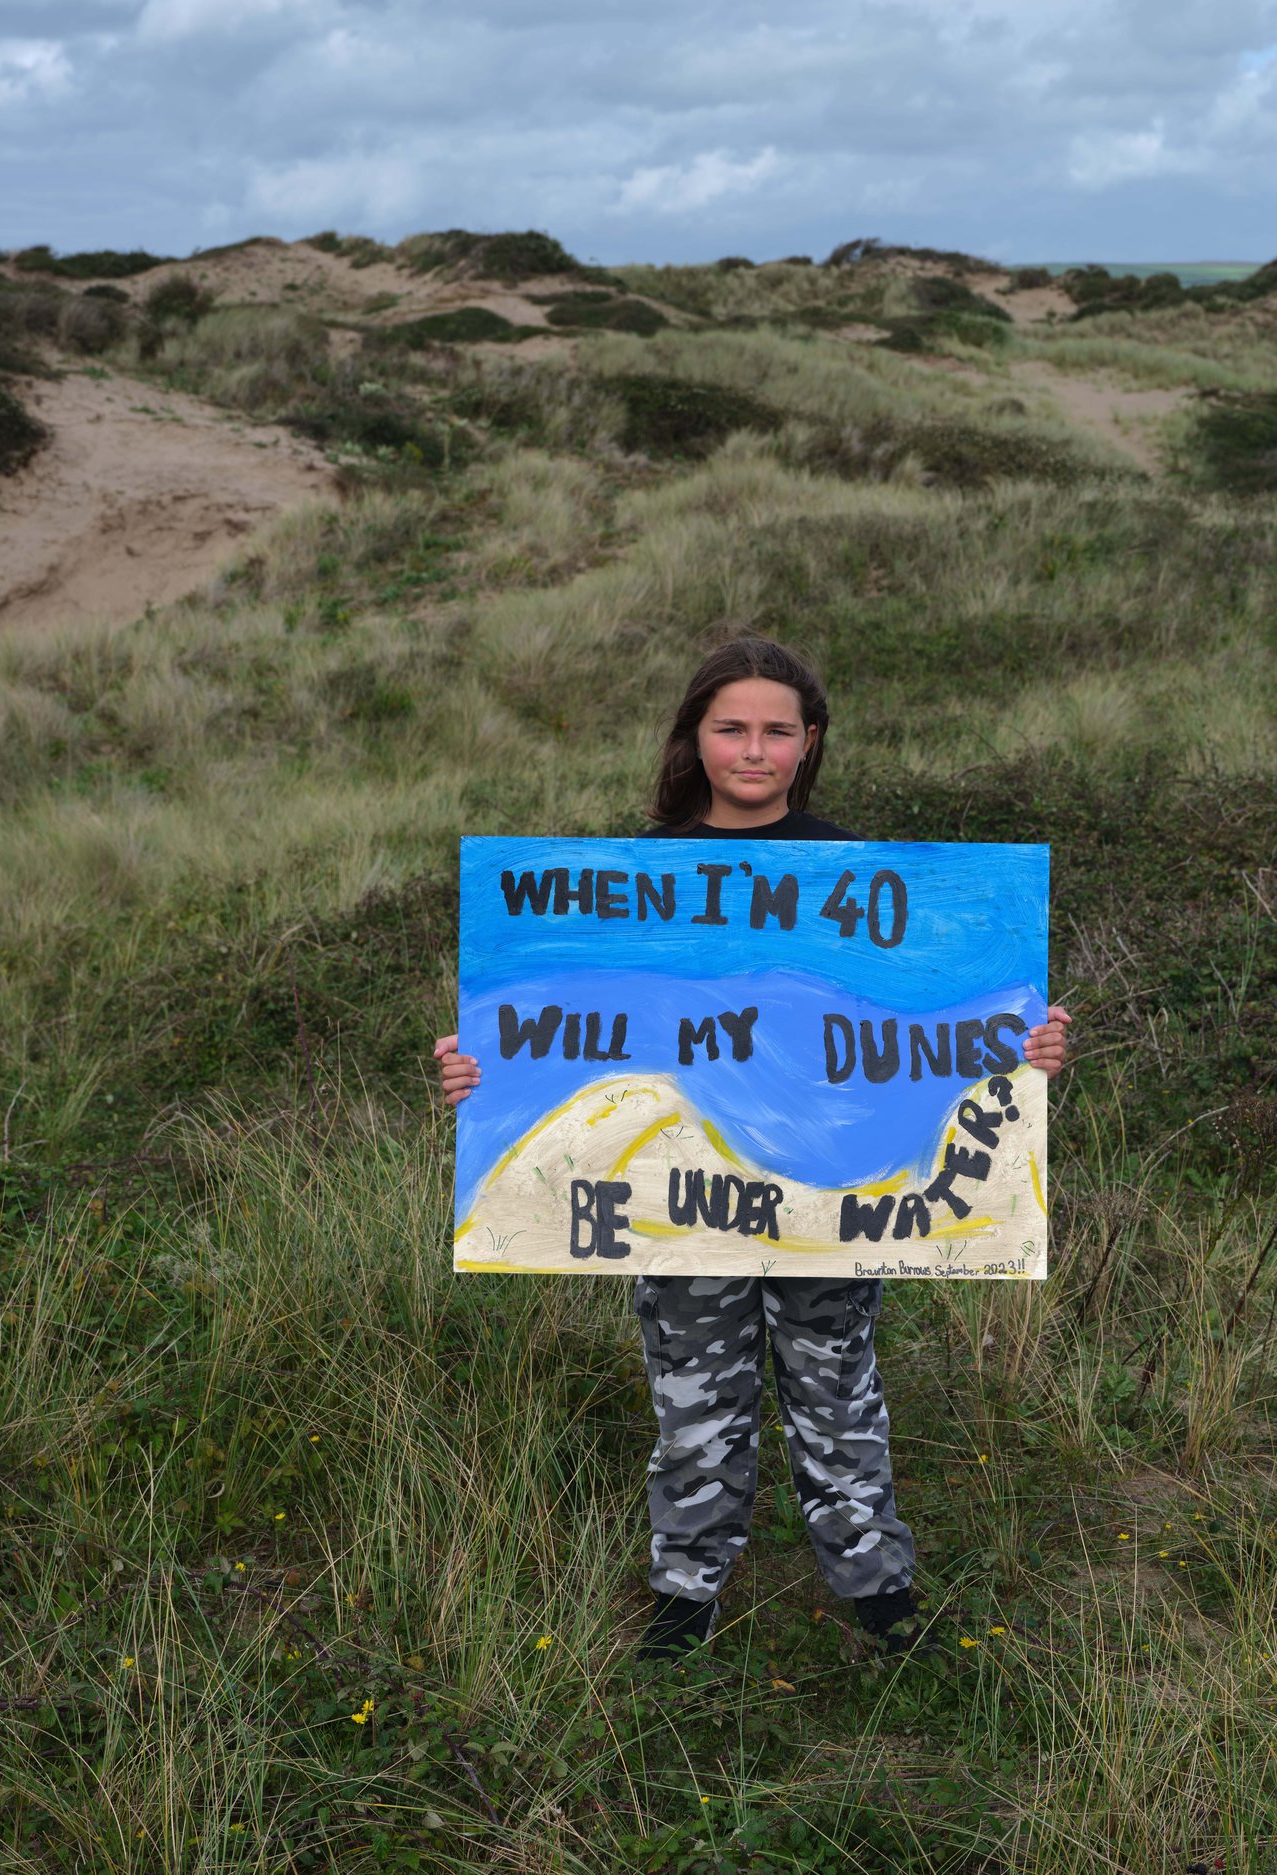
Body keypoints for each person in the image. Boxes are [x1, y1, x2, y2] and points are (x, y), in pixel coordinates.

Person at [432, 636, 1071, 1658]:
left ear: (809, 742)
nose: (754, 749)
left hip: (840, 1195)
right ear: (695, 736)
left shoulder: (868, 879)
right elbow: (544, 1025)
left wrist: (1029, 1045)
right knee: (694, 1399)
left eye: (778, 730)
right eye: (732, 727)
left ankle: (878, 1592)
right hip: (679, 1197)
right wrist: (479, 1072)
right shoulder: (623, 878)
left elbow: (954, 1024)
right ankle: (684, 1598)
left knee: (838, 1384)